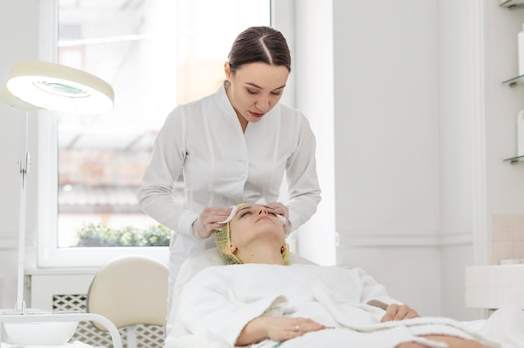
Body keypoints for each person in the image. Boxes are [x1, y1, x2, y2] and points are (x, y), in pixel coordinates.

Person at [137, 25, 322, 300]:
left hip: (262, 258)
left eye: (276, 92)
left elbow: (308, 193)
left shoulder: (294, 125)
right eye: (252, 90)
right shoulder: (187, 119)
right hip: (197, 255)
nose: (263, 104)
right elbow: (151, 192)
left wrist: (288, 217)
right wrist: (192, 223)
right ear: (228, 72)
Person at [170, 203, 507, 348]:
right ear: (232, 247)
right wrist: (263, 326)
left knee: (465, 339)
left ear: (286, 241)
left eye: (270, 210)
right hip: (305, 336)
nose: (262, 210)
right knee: (408, 346)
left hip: (371, 327)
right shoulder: (214, 278)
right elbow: (203, 315)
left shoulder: (337, 275)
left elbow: (378, 300)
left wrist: (397, 309)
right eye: (247, 213)